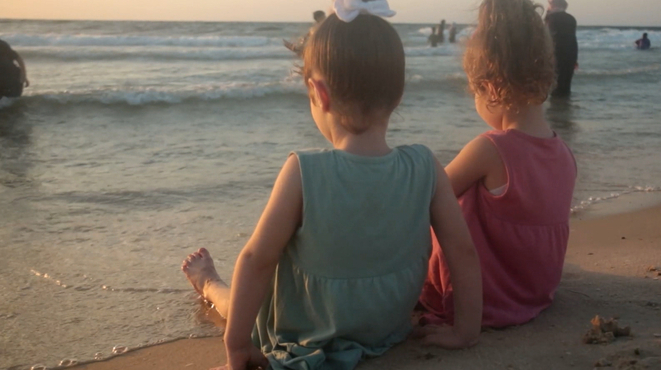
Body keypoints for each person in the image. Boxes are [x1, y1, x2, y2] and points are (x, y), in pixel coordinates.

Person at [182, 1, 483, 369]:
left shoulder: (303, 171)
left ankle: (209, 283)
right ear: (399, 94)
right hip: (385, 327)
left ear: (319, 94)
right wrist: (466, 330)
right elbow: (462, 252)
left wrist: (236, 350)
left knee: (250, 302)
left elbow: (257, 261)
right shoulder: (426, 165)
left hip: (306, 331)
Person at [419, 0, 577, 328]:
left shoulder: (490, 149)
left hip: (484, 302)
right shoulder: (563, 151)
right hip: (535, 291)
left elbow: (424, 201)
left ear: (490, 87)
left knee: (438, 187)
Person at [544, 0, 578, 97]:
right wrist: (575, 59)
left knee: (554, 86)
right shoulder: (571, 19)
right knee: (566, 86)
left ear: (553, 5)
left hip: (555, 56)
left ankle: (556, 110)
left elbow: (547, 38)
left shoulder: (550, 18)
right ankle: (564, 108)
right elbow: (573, 40)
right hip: (569, 57)